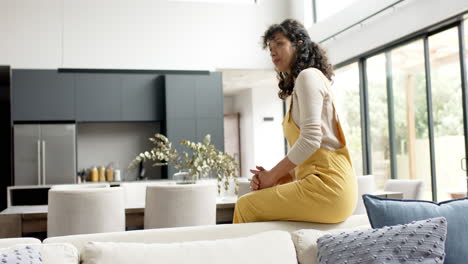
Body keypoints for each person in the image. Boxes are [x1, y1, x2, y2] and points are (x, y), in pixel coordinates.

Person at [232, 19, 357, 224]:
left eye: (279, 43)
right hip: (326, 185)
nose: (273, 52)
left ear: (299, 44)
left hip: (330, 186)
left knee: (246, 205)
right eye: (270, 48)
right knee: (257, 208)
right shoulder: (307, 81)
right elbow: (313, 156)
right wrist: (281, 177)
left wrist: (271, 176)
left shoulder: (308, 77)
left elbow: (311, 140)